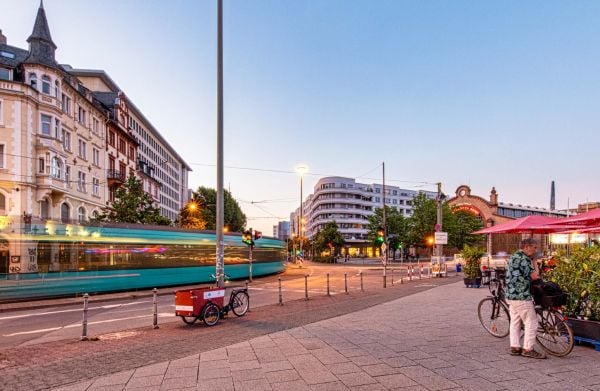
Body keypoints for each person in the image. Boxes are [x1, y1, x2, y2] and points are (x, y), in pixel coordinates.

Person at [505, 238, 545, 359]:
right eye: (534, 247)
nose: (535, 249)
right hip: (522, 295)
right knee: (531, 321)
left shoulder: (513, 256)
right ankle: (528, 349)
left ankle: (515, 347)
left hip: (511, 295)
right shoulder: (524, 260)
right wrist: (535, 262)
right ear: (527, 247)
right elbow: (535, 276)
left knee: (515, 321)